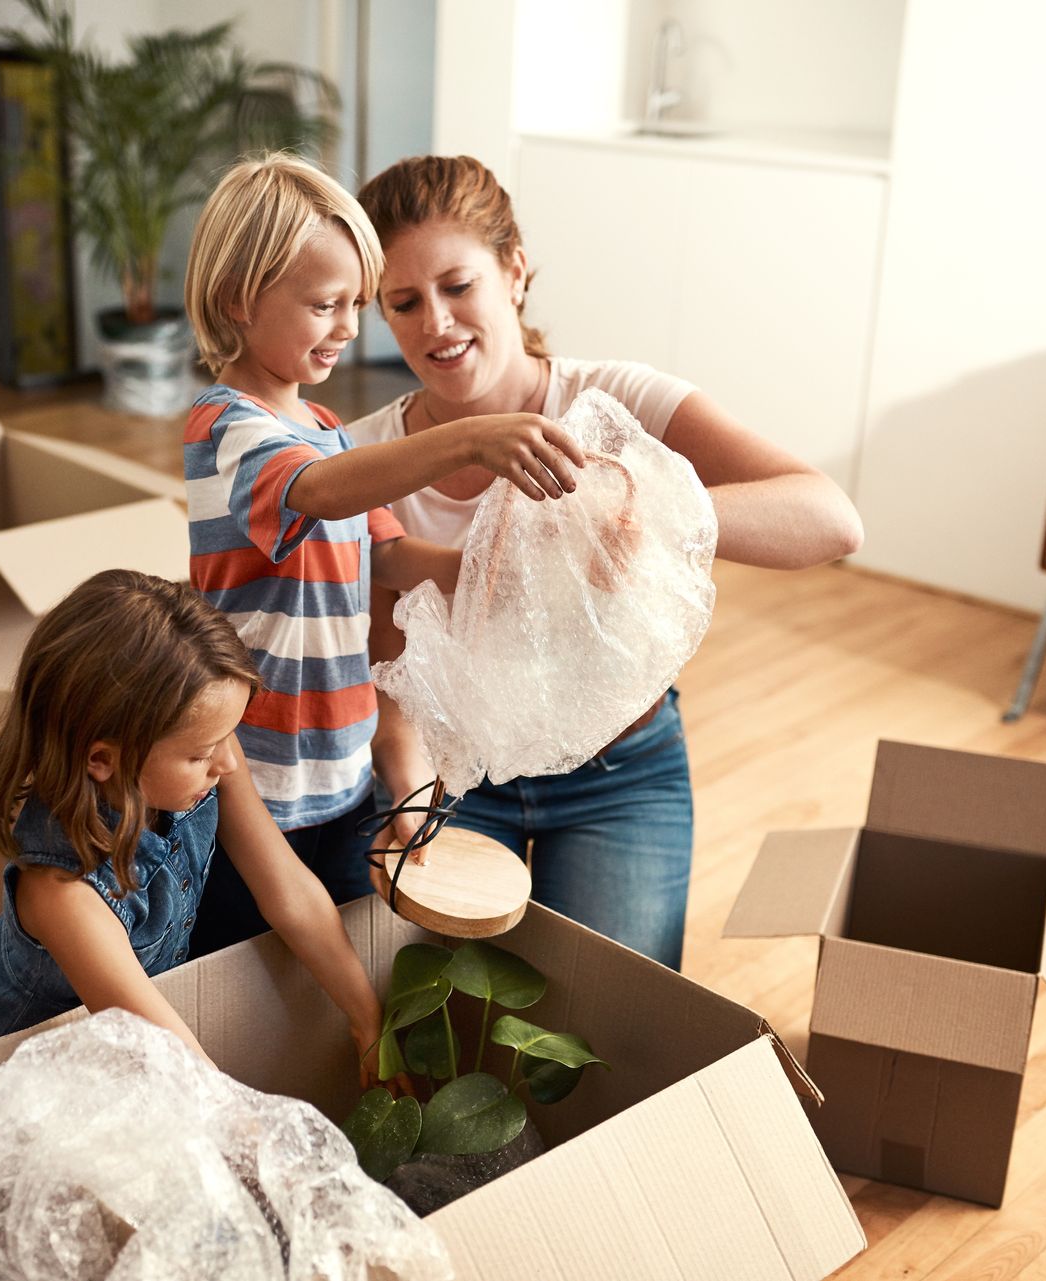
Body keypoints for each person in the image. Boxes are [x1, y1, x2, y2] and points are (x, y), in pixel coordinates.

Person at [352, 154, 864, 971]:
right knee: (435, 1037)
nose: (436, 325)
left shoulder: (618, 401)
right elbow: (387, 663)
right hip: (454, 780)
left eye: (458, 286)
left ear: (514, 271)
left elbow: (831, 519)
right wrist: (409, 797)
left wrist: (644, 515)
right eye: (404, 303)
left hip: (621, 776)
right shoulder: (367, 456)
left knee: (608, 1042)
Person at [179, 152, 591, 955]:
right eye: (326, 305)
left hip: (343, 773)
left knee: (341, 963)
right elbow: (321, 491)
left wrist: (510, 574)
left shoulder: (327, 427)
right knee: (239, 972)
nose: (346, 328)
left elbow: (394, 561)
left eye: (356, 306)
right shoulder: (225, 429)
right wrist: (467, 438)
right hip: (253, 776)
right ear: (237, 299)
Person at [0, 569, 387, 1080]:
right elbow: (172, 1056)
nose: (227, 762)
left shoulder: (207, 756)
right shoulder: (60, 893)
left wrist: (367, 1019)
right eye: (203, 752)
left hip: (93, 1053)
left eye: (230, 735)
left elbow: (289, 890)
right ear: (102, 759)